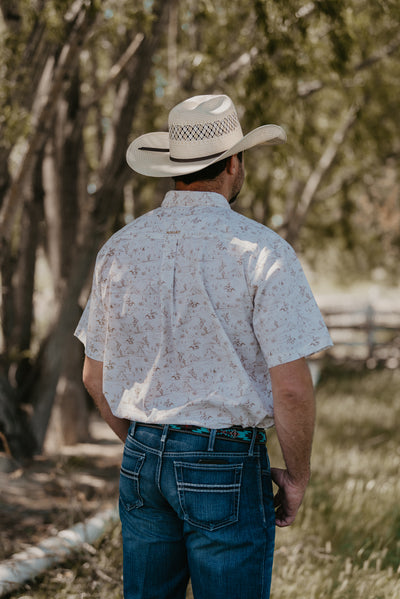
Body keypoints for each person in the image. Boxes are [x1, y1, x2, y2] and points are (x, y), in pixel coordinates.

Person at [75, 94, 332, 599]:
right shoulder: (262, 252)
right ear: (234, 163)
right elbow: (294, 392)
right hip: (226, 463)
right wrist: (296, 478)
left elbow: (92, 376)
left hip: (142, 456)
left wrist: (146, 448)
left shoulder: (120, 249)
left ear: (175, 167)